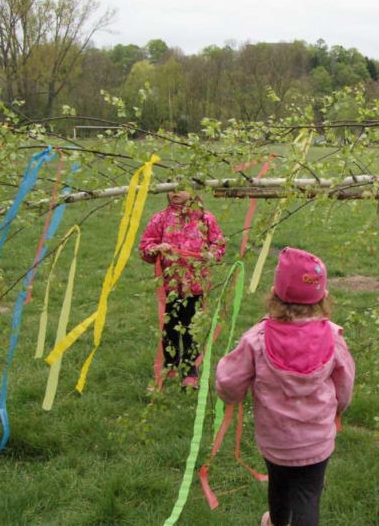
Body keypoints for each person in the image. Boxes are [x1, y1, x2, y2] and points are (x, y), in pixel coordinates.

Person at [215, 247, 355, 526]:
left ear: (273, 294)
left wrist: (232, 394)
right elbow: (345, 383)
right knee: (308, 494)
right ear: (323, 297)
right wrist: (339, 408)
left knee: (278, 483)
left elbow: (228, 382)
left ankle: (277, 521)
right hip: (316, 440)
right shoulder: (332, 337)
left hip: (276, 441)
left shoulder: (256, 339)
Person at [139, 189, 225, 389]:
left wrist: (211, 254)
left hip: (195, 286)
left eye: (181, 187)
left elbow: (218, 244)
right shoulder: (160, 219)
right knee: (168, 328)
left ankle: (190, 371)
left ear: (193, 191)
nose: (175, 192)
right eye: (171, 187)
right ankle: (170, 364)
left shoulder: (205, 219)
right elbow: (145, 246)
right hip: (168, 286)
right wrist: (156, 249)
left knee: (190, 329)